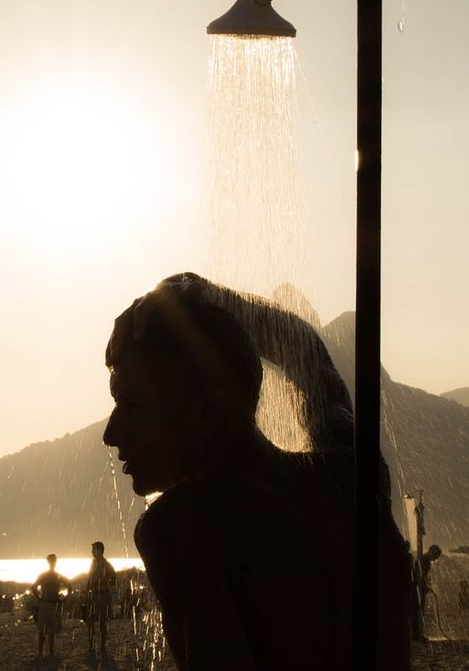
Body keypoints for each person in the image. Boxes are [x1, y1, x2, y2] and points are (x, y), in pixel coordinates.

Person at [102, 272, 410, 670]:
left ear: (209, 410)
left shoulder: (183, 526)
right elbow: (307, 355)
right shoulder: (353, 476)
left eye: (131, 404)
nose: (111, 433)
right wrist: (207, 295)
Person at [32, 553, 67, 658]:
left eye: (53, 561)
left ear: (55, 562)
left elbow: (69, 587)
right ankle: (40, 652)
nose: (52, 563)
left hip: (52, 603)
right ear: (48, 562)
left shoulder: (57, 575)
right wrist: (39, 598)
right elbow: (34, 587)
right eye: (51, 561)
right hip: (46, 603)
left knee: (51, 630)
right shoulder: (45, 575)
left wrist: (63, 599)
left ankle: (50, 652)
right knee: (43, 630)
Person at [85, 541, 116, 655]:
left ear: (98, 550)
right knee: (90, 621)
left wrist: (103, 582)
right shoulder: (93, 563)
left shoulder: (106, 564)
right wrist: (87, 591)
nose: (92, 552)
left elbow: (113, 579)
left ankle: (102, 647)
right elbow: (89, 579)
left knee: (102, 622)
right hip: (94, 595)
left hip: (103, 595)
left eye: (93, 550)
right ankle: (92, 645)